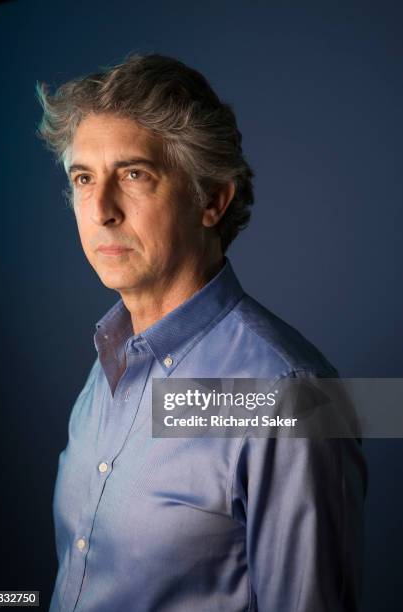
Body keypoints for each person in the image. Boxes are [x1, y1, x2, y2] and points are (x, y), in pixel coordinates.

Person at [36, 53, 366, 612]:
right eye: (84, 178)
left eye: (134, 175)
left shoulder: (293, 396)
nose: (101, 209)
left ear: (212, 199)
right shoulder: (108, 360)